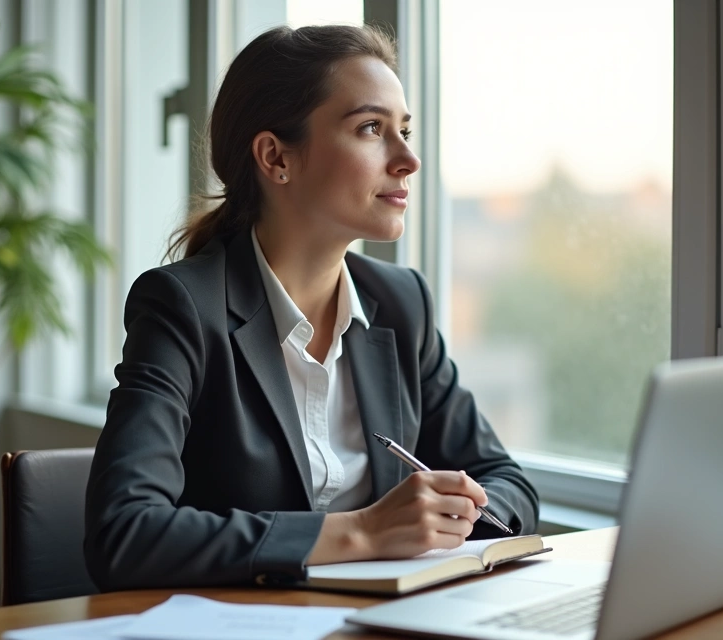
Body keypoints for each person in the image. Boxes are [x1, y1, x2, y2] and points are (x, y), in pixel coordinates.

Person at [84, 24, 538, 592]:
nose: (408, 159)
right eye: (371, 129)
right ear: (276, 157)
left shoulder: (402, 305)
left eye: (405, 130)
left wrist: (456, 510)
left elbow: (508, 484)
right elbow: (123, 534)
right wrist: (364, 532)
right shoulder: (183, 307)